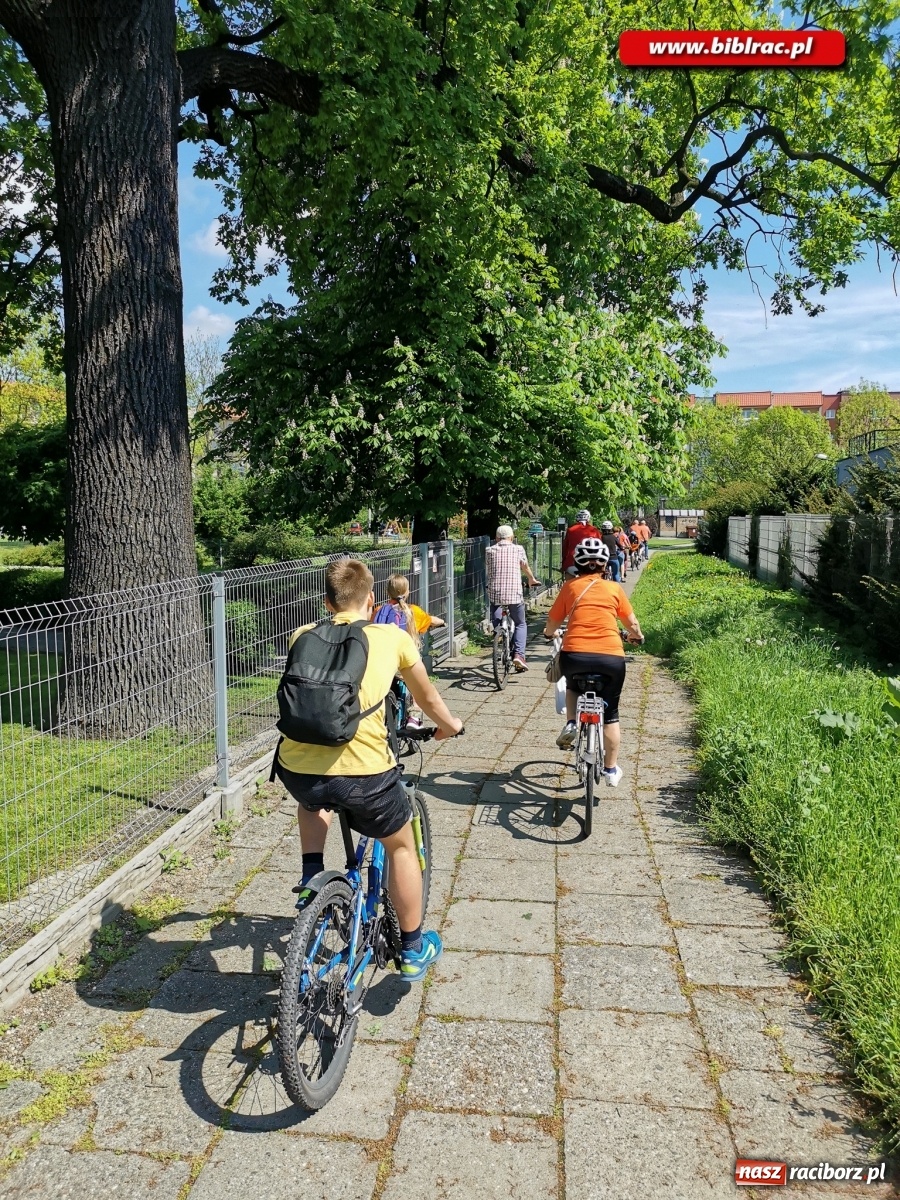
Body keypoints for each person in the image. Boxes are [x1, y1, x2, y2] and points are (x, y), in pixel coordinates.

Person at [273, 559, 463, 981]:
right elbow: (428, 699)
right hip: (366, 773)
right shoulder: (393, 637)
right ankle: (412, 948)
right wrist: (450, 727)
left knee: (313, 799)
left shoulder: (302, 635)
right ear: (372, 600)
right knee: (400, 845)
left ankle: (311, 877)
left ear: (326, 601)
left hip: (296, 766)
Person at [542, 538, 644, 788]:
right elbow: (632, 624)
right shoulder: (614, 589)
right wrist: (637, 637)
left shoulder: (569, 588)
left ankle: (571, 722)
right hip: (611, 658)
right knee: (610, 714)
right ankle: (610, 770)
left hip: (574, 655)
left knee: (574, 687)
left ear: (578, 563)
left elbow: (552, 624)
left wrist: (549, 634)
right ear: (604, 564)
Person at [374, 573, 446, 727]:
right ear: (407, 592)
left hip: (382, 663)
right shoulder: (413, 612)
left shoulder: (379, 610)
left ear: (388, 592)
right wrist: (442, 622)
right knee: (418, 687)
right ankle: (414, 717)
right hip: (405, 664)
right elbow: (431, 620)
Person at [485, 525, 541, 671]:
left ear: (497, 538)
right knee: (521, 623)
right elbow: (525, 566)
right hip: (514, 594)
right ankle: (519, 655)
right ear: (512, 537)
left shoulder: (489, 550)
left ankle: (499, 634)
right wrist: (531, 579)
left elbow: (490, 570)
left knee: (496, 615)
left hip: (495, 593)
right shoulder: (518, 549)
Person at [561, 509, 602, 577]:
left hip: (572, 562)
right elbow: (600, 548)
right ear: (588, 518)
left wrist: (563, 564)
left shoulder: (571, 530)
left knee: (568, 582)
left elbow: (565, 548)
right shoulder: (594, 530)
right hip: (589, 563)